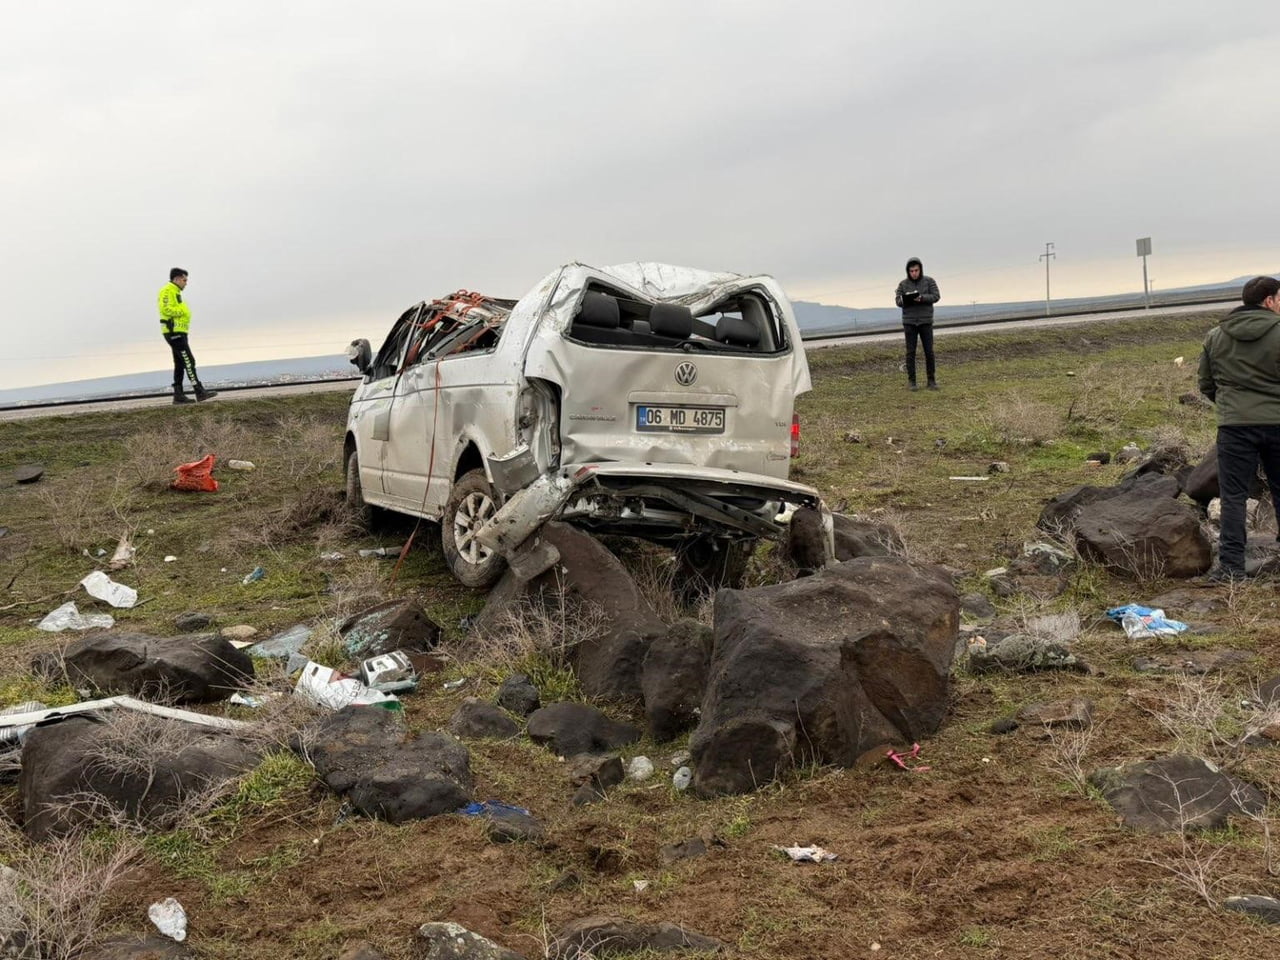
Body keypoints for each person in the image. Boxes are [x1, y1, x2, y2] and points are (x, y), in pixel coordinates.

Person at [1197, 275, 1280, 582]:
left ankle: (1231, 567)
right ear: (1269, 300)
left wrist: (1231, 407)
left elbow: (1206, 383)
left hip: (1234, 426)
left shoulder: (1215, 335)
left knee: (1233, 496)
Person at [158, 267, 217, 404]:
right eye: (184, 280)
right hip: (174, 332)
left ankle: (178, 395)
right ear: (177, 279)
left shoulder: (175, 292)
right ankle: (199, 391)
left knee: (180, 363)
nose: (186, 283)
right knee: (189, 361)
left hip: (179, 332)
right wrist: (183, 311)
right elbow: (165, 309)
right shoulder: (167, 290)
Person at [894, 257, 941, 390]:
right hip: (909, 323)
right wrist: (907, 299)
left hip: (926, 321)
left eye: (916, 270)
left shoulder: (929, 281)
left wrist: (922, 298)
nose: (914, 273)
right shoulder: (903, 284)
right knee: (910, 352)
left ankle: (931, 381)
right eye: (911, 271)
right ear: (908, 271)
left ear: (920, 270)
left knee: (929, 351)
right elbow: (898, 301)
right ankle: (912, 382)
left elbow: (936, 296)